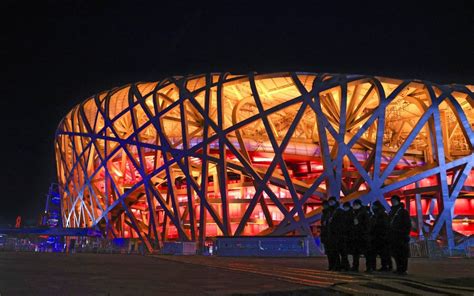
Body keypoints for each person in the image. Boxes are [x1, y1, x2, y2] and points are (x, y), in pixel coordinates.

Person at [388, 195, 411, 275]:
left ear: (398, 201)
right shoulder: (391, 212)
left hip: (401, 236)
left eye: (394, 201)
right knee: (395, 253)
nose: (392, 202)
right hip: (393, 236)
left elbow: (407, 224)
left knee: (402, 254)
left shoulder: (403, 212)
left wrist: (404, 233)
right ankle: (398, 268)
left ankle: (403, 270)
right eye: (392, 201)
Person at [367, 200, 391, 271]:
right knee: (375, 253)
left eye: (374, 206)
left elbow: (384, 226)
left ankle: (385, 266)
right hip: (375, 237)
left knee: (382, 253)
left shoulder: (382, 215)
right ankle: (374, 267)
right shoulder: (375, 215)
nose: (373, 207)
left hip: (380, 237)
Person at [350, 199, 370, 272]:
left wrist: (358, 225)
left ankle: (369, 267)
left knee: (366, 252)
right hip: (356, 236)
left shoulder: (363, 213)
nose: (354, 206)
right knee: (355, 252)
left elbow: (367, 225)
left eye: (355, 205)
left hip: (362, 236)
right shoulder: (354, 213)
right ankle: (355, 266)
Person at [325, 196, 341, 271]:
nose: (330, 203)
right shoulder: (328, 212)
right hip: (329, 234)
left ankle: (337, 266)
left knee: (335, 251)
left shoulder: (338, 211)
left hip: (336, 234)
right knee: (330, 252)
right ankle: (331, 266)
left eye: (332, 202)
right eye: (330, 202)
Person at [337, 201, 353, 271]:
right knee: (343, 252)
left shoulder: (350, 214)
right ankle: (344, 265)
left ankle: (346, 265)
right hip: (343, 235)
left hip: (347, 235)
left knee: (344, 252)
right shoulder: (345, 214)